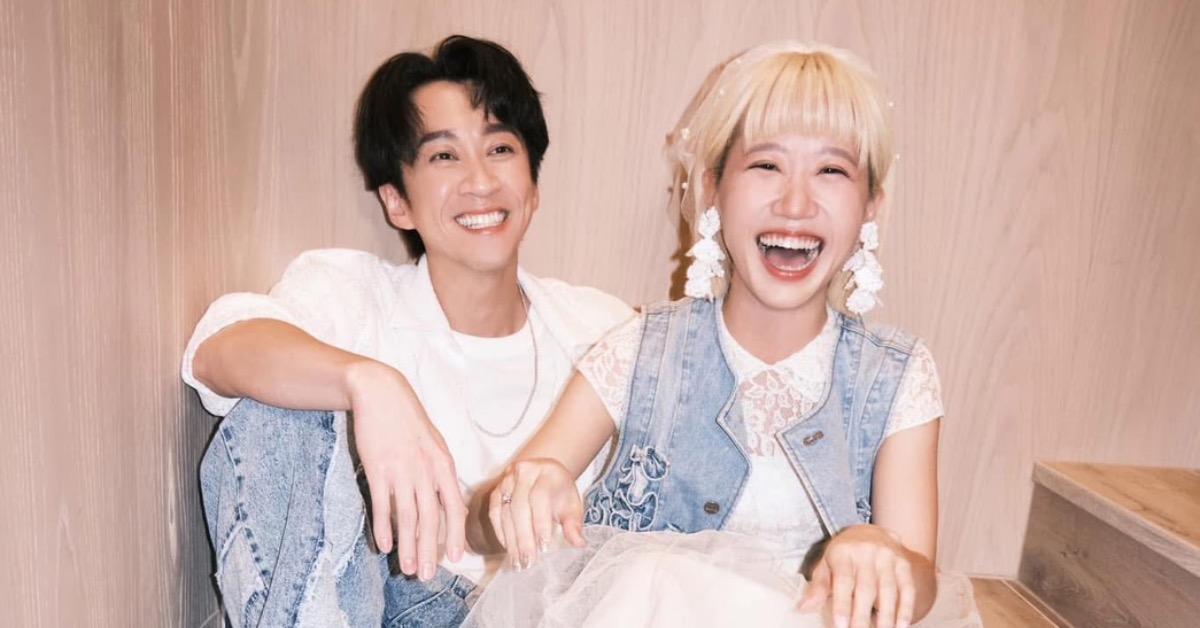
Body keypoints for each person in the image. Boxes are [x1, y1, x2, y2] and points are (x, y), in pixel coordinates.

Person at [467, 41, 954, 628]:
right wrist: (524, 490)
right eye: (766, 165)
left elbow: (921, 582)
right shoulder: (642, 351)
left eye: (831, 170)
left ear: (870, 204)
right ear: (712, 188)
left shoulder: (897, 376)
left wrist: (883, 552)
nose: (795, 203)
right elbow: (480, 527)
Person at [182, 35, 632, 627]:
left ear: (533, 187)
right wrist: (368, 382)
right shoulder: (357, 296)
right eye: (444, 156)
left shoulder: (602, 329)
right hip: (373, 606)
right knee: (278, 411)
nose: (479, 180)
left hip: (545, 615)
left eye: (500, 148)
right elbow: (216, 350)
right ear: (397, 202)